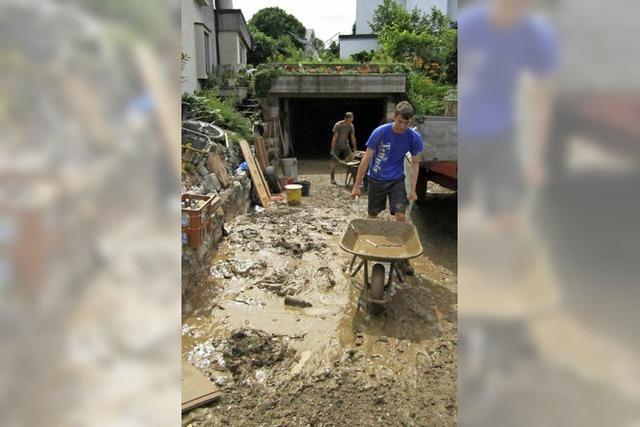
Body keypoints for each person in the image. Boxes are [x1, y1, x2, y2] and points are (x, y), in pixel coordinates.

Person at [351, 101, 424, 223]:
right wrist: (356, 186)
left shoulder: (414, 137)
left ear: (410, 121)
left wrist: (412, 190)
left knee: (401, 216)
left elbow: (415, 164)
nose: (402, 126)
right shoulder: (380, 132)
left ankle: (398, 241)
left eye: (406, 123)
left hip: (396, 180)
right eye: (400, 121)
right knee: (373, 215)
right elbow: (367, 158)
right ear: (394, 117)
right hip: (376, 179)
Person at [329, 112, 357, 185]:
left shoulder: (351, 126)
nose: (351, 121)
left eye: (352, 119)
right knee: (334, 162)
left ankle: (354, 178)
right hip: (337, 145)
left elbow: (352, 137)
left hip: (346, 145)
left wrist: (355, 147)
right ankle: (332, 178)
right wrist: (332, 149)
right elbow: (335, 137)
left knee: (352, 161)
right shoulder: (338, 125)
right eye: (350, 119)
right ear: (346, 118)